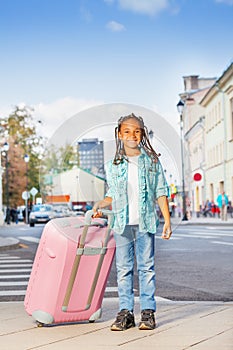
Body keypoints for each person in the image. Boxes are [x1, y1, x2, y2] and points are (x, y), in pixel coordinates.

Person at [93, 113, 172, 331]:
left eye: (137, 131)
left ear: (142, 134)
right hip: (121, 223)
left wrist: (167, 220)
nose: (132, 135)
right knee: (123, 269)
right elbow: (112, 194)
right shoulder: (113, 165)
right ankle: (126, 312)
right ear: (119, 134)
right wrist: (101, 204)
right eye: (127, 131)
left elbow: (161, 191)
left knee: (146, 267)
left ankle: (148, 312)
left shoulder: (152, 162)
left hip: (145, 222)